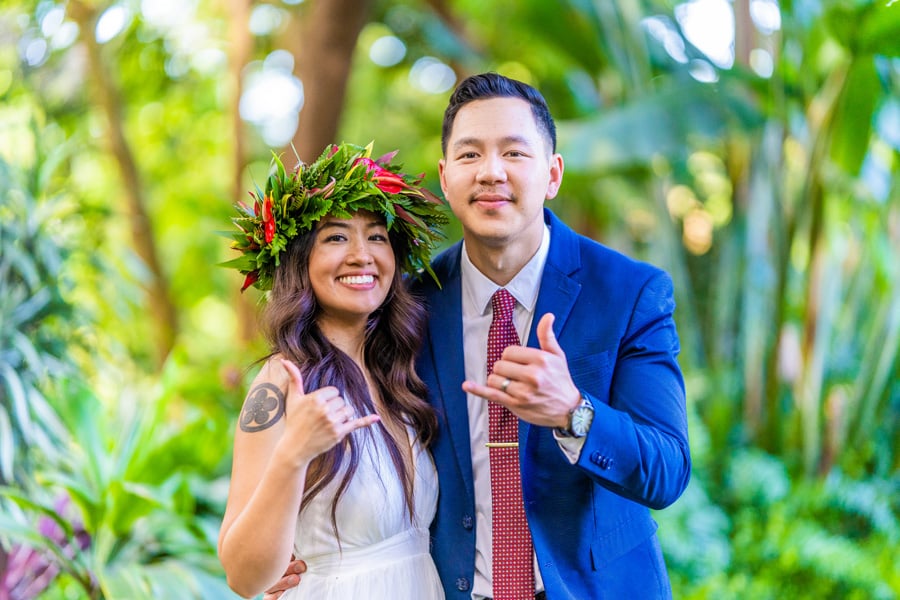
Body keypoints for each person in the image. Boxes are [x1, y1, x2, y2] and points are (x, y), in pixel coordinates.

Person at [269, 72, 691, 599]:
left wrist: (573, 411)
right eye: (470, 156)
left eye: (514, 153)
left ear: (552, 174)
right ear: (445, 178)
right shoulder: (409, 307)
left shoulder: (629, 292)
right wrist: (298, 543)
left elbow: (667, 470)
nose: (491, 172)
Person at [217, 141, 449, 599]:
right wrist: (293, 455)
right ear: (299, 261)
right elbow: (243, 578)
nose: (362, 255)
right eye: (337, 237)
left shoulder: (400, 374)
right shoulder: (283, 384)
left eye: (377, 236)